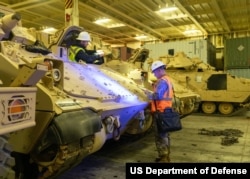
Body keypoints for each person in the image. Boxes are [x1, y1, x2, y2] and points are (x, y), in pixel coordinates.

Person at [149, 60, 174, 163]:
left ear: (159, 70)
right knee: (165, 134)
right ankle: (165, 156)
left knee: (161, 135)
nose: (154, 74)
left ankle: (164, 158)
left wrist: (146, 93)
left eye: (154, 72)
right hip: (166, 110)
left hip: (161, 111)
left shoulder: (162, 81)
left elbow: (157, 96)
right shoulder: (168, 79)